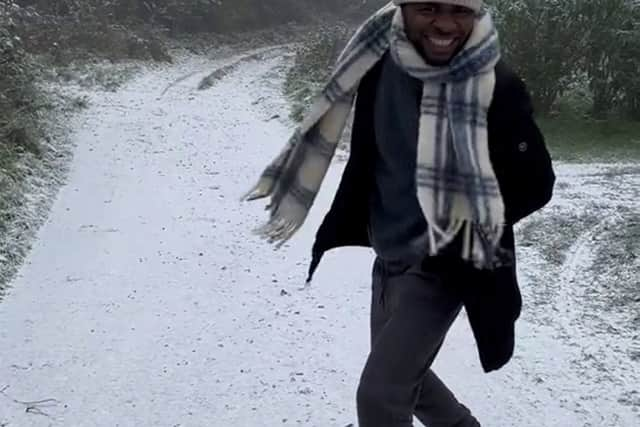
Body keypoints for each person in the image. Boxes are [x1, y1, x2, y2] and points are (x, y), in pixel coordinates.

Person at [244, 0, 556, 425]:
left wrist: (464, 224)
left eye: (460, 11)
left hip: (447, 263)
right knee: (412, 381)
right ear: (402, 10)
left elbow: (536, 183)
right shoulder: (374, 60)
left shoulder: (495, 85)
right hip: (388, 252)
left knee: (381, 394)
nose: (445, 23)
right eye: (429, 8)